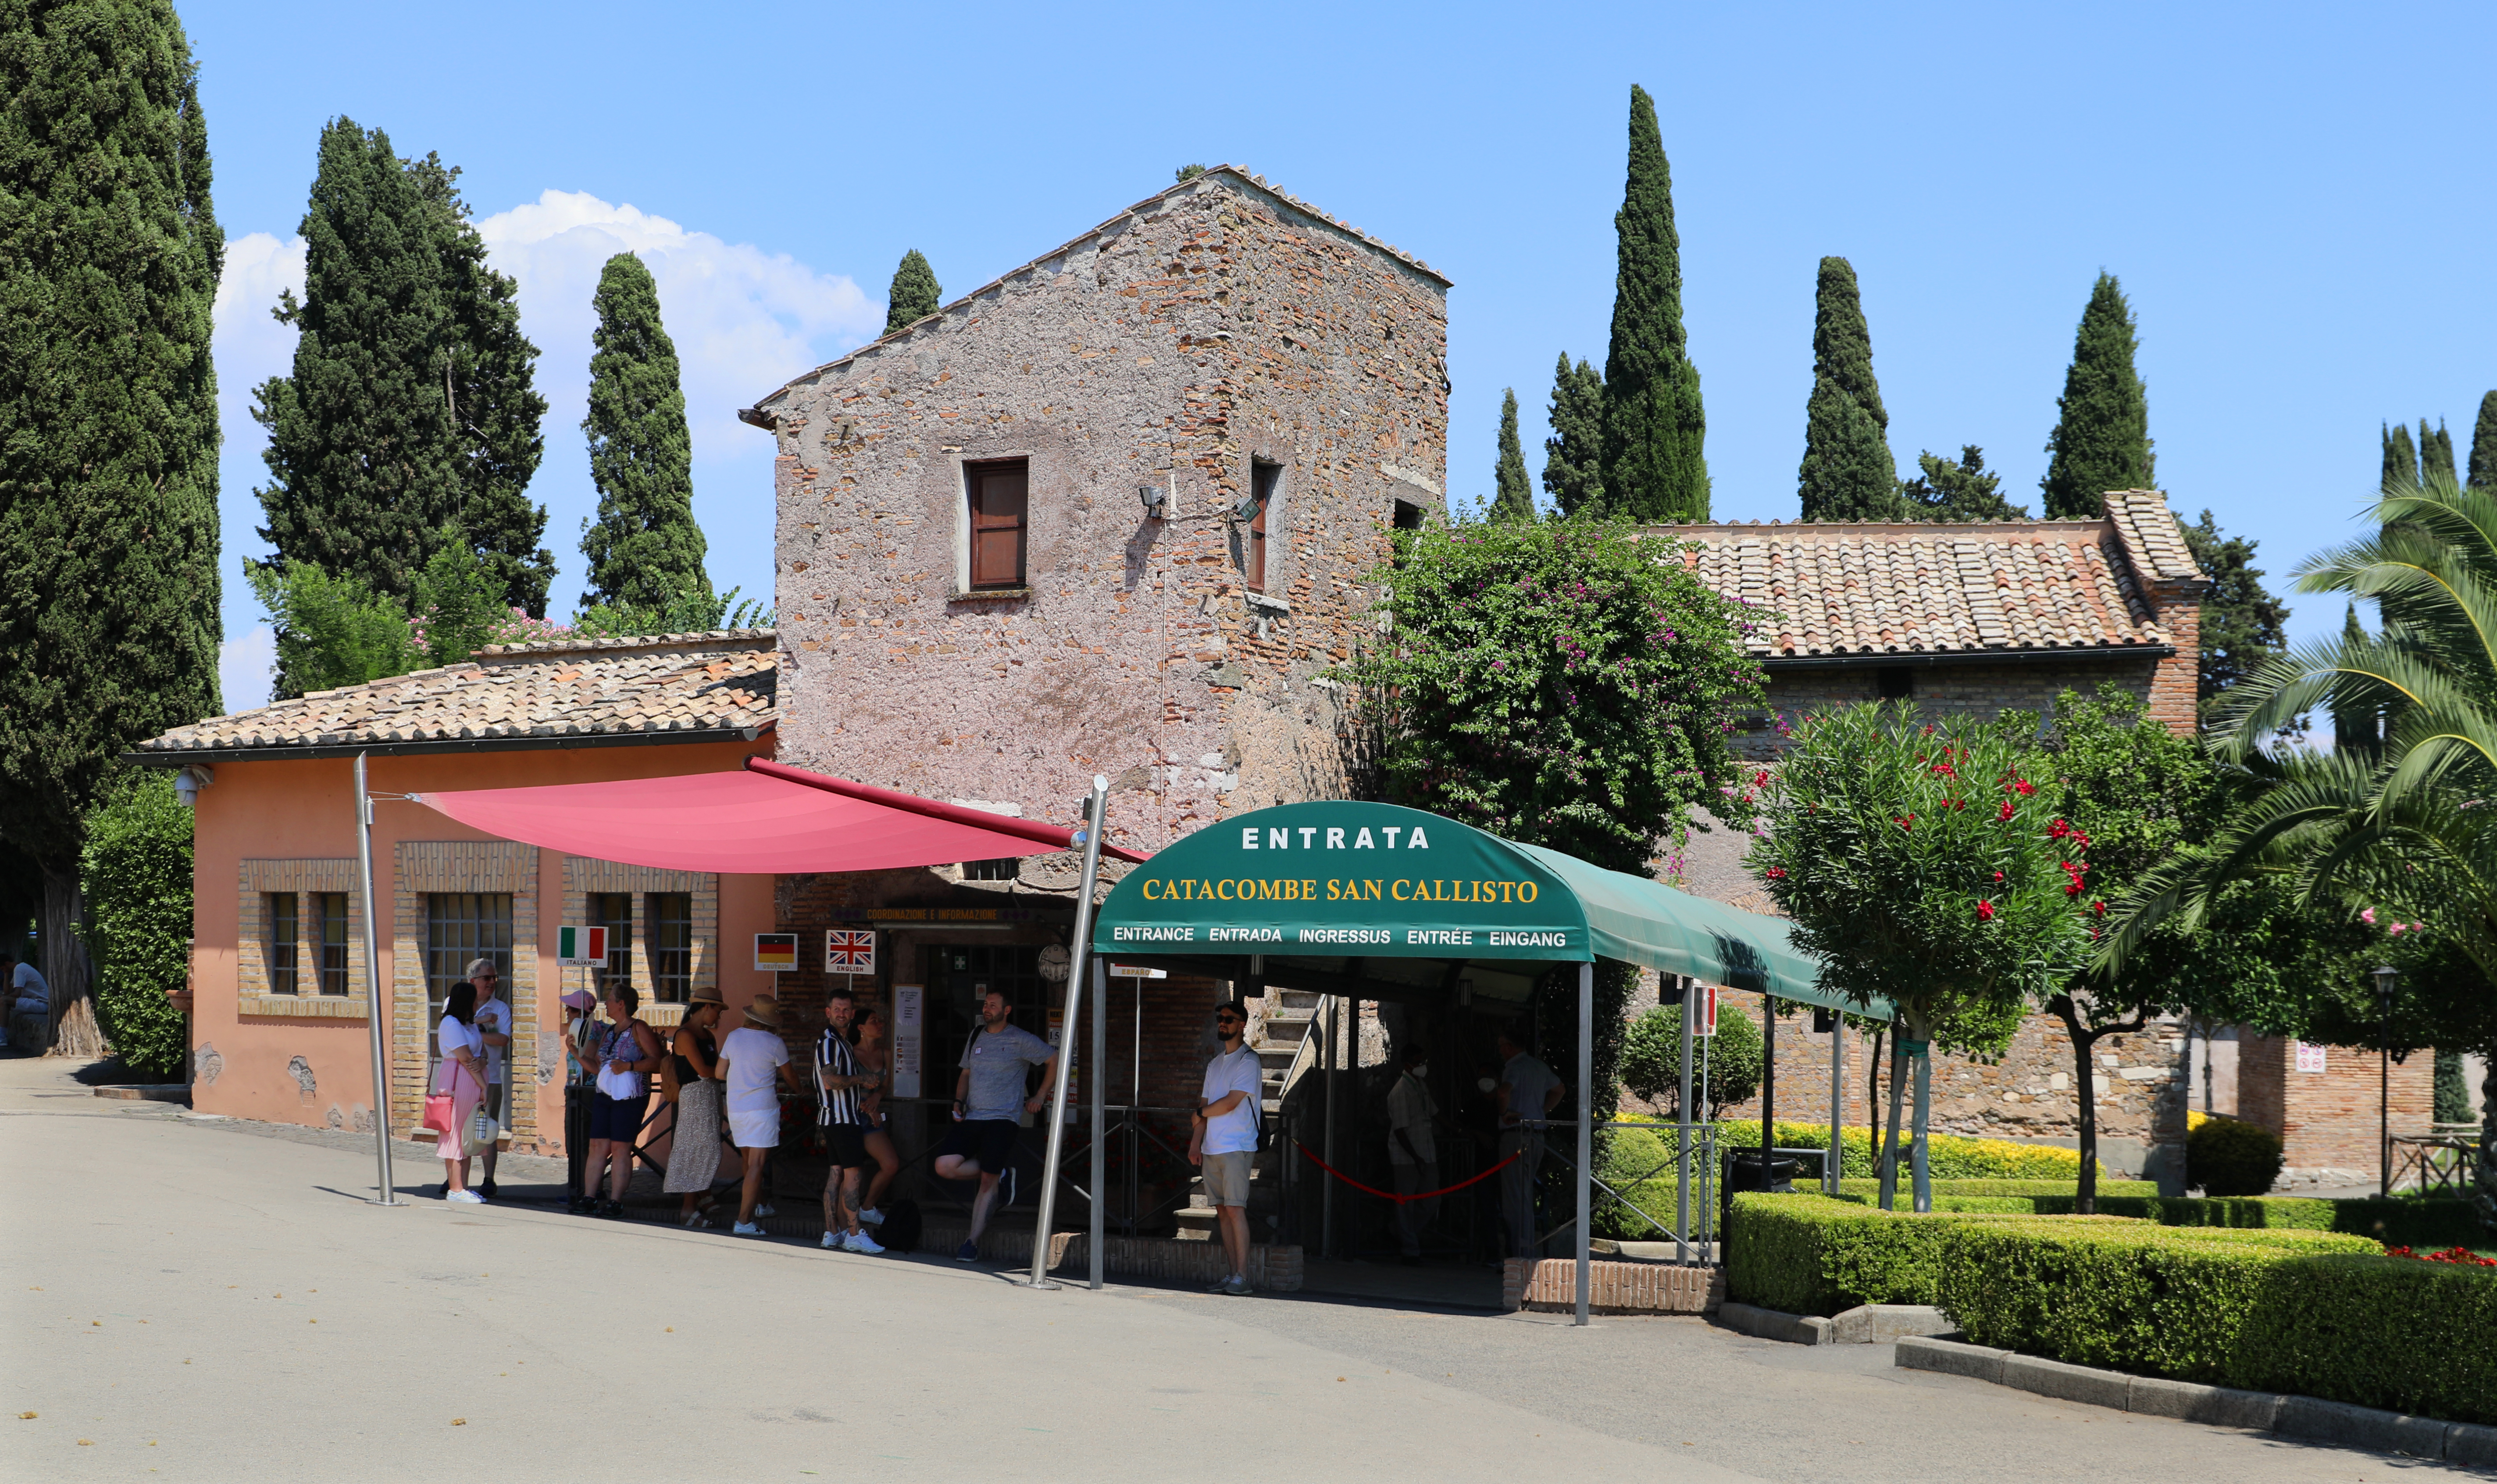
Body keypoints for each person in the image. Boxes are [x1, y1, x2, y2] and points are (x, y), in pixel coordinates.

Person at [932, 985, 1055, 1263]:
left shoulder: (1020, 1039)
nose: (986, 1009)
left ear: (1006, 1010)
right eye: (985, 1004)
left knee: (987, 1181)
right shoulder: (976, 1035)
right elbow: (966, 1072)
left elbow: (1054, 1059)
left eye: (993, 1005)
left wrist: (1039, 1095)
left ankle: (971, 1242)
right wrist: (958, 1101)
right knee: (944, 1166)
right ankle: (1000, 1173)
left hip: (1003, 1119)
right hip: (974, 1116)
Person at [1188, 1000, 1263, 1296]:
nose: (1223, 1023)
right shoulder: (1215, 1064)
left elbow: (1230, 1103)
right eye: (1220, 1018)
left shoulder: (1249, 1061)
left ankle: (1243, 1276)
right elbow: (1204, 1107)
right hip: (1212, 1148)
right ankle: (1232, 1274)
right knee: (1222, 1212)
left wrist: (1201, 1114)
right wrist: (1196, 1143)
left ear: (1242, 1024)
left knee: (1235, 1209)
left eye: (1229, 1019)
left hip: (1237, 1146)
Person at [576, 985, 662, 1219]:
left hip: (631, 1097)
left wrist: (630, 1066)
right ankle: (590, 1197)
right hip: (605, 1095)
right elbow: (598, 1067)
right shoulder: (610, 1031)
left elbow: (657, 1062)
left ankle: (616, 1201)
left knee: (620, 1148)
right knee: (597, 1146)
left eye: (610, 1000)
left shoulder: (639, 1028)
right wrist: (577, 1054)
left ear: (622, 1004)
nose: (606, 1004)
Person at [717, 994, 798, 1236]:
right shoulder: (775, 1043)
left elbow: (720, 1073)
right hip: (762, 1108)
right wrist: (801, 1090)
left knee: (747, 1161)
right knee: (757, 1164)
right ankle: (743, 1221)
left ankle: (759, 1206)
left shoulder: (733, 1037)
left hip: (737, 1108)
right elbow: (791, 1076)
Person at [813, 988, 885, 1255]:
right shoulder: (831, 1042)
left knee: (836, 1175)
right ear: (828, 1012)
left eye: (846, 1010)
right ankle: (854, 1234)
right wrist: (862, 1080)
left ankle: (832, 1233)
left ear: (852, 1015)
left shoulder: (840, 1041)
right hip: (842, 1120)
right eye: (837, 1009)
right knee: (853, 1176)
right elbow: (830, 1081)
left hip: (835, 1118)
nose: (841, 1014)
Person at [1495, 1026, 1563, 1259]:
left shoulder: (1515, 1067)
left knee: (1515, 1198)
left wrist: (1504, 1113)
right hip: (1537, 1134)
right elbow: (1559, 1089)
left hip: (1516, 1134)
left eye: (1502, 1046)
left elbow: (1504, 1093)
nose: (1500, 1050)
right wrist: (1540, 1112)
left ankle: (1519, 1255)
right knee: (1525, 1194)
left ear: (1510, 1047)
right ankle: (1526, 1250)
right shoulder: (1538, 1066)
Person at [663, 988, 730, 1227]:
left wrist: (724, 1074)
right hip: (694, 1096)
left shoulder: (708, 1037)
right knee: (696, 1150)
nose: (719, 1018)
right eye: (718, 1012)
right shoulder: (685, 1036)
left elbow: (717, 1067)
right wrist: (730, 1074)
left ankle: (703, 1194)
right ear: (706, 1008)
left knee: (707, 1147)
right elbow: (703, 1070)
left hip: (710, 1095)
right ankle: (688, 1208)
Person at [1386, 1040, 1444, 1266]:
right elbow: (1400, 1130)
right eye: (1418, 1062)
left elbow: (1435, 1112)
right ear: (1407, 1064)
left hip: (1427, 1153)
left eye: (1423, 1061)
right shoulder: (1401, 1091)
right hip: (1406, 1157)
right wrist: (1416, 1158)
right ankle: (1410, 1249)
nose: (1422, 1065)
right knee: (1405, 1204)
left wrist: (1460, 1129)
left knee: (1432, 1200)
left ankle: (1401, 1233)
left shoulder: (1421, 1085)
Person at [433, 984, 488, 1204]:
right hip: (459, 1081)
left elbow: (481, 1053)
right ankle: (455, 1188)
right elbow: (466, 1058)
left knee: (468, 1136)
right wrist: (483, 1085)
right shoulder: (451, 1023)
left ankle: (463, 1186)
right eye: (475, 1000)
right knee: (455, 1133)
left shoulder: (470, 1025)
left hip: (473, 1080)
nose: (478, 1004)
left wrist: (483, 1061)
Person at [463, 959, 512, 1199]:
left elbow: (503, 1040)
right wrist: (480, 1026)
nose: (492, 982)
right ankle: (458, 1176)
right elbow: (448, 1030)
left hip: (490, 1077)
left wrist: (472, 1031)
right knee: (462, 1127)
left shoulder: (500, 1008)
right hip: (462, 1077)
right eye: (487, 978)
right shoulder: (455, 1003)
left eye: (495, 978)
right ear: (473, 981)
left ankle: (489, 1179)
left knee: (488, 1128)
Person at [852, 1003, 902, 1226]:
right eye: (875, 1021)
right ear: (861, 1027)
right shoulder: (850, 1052)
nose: (880, 1025)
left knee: (891, 1164)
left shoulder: (887, 1054)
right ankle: (844, 1224)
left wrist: (877, 1098)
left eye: (880, 1021)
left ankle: (868, 1208)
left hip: (872, 1115)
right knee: (848, 1171)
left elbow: (885, 1086)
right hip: (852, 1115)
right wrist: (864, 1102)